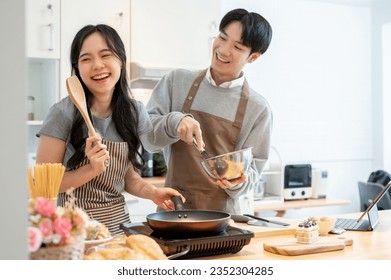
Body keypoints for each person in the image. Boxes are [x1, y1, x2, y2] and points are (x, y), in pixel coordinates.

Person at [35, 24, 183, 234]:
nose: (97, 65)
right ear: (77, 68)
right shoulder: (62, 113)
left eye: (106, 55)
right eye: (86, 59)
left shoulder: (134, 112)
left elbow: (127, 177)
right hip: (75, 232)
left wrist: (152, 192)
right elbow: (43, 185)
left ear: (121, 61)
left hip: (119, 229)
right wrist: (90, 169)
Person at [142, 8, 273, 214]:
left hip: (221, 218)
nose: (223, 49)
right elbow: (147, 138)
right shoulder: (177, 81)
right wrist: (174, 122)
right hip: (173, 210)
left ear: (253, 57)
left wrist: (238, 182)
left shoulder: (258, 109)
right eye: (222, 37)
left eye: (237, 47)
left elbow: (252, 174)